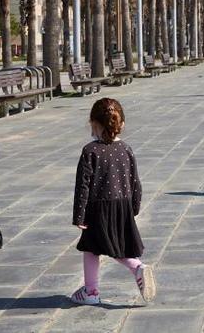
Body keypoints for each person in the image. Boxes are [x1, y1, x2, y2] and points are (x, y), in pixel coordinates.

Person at [70, 98, 155, 305]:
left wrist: (79, 215)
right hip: (122, 205)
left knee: (92, 248)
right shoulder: (126, 149)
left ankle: (93, 291)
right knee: (114, 245)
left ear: (93, 123)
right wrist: (133, 207)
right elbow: (136, 181)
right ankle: (134, 269)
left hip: (98, 207)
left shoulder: (90, 151)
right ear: (121, 124)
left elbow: (83, 185)